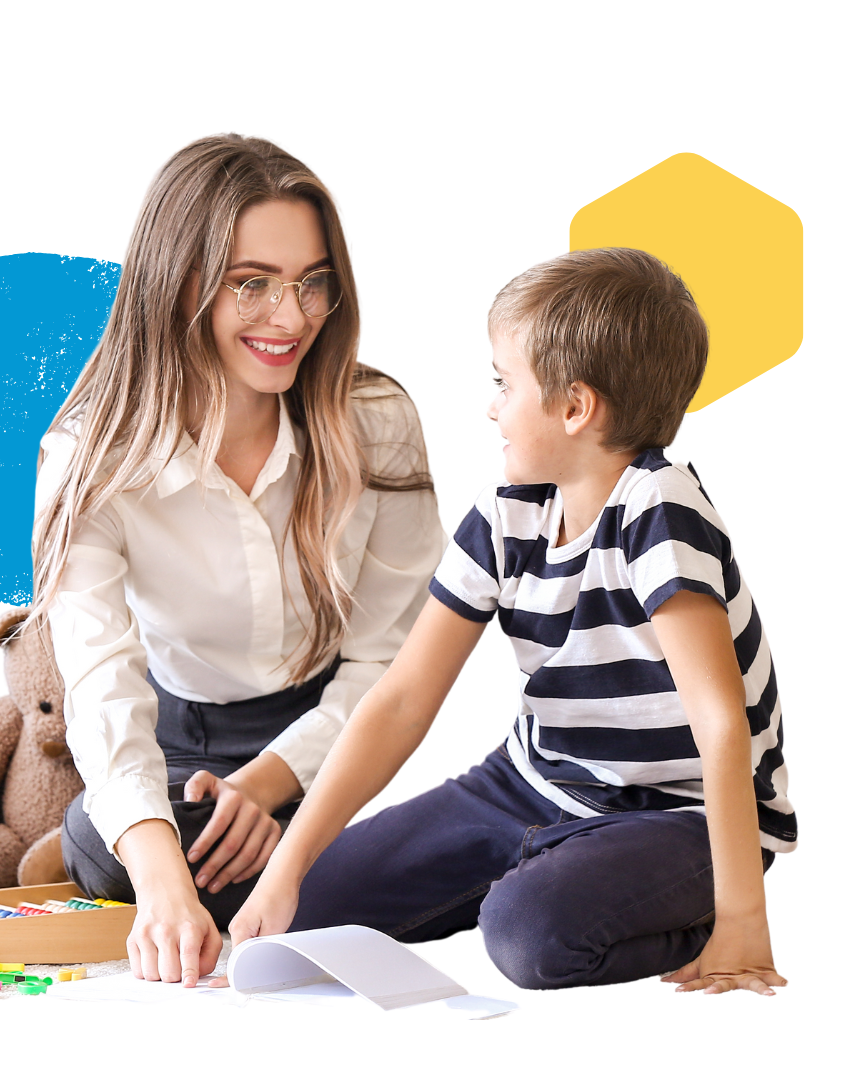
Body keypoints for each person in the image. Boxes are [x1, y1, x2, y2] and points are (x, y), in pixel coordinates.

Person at [229, 248, 794, 997]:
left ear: (574, 407)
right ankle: (554, 869)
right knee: (300, 913)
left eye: (504, 384)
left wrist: (743, 921)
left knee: (529, 939)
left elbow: (721, 726)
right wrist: (288, 868)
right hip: (528, 784)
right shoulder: (505, 514)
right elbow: (400, 702)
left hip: (681, 813)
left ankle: (685, 912)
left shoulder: (661, 511)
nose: (490, 407)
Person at [27, 133, 447, 987]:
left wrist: (274, 779)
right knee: (106, 846)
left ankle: (322, 876)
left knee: (393, 847)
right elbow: (103, 684)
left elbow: (392, 663)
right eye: (250, 283)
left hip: (350, 727)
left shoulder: (379, 418)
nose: (290, 319)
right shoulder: (88, 456)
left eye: (311, 282)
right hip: (188, 743)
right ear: (174, 282)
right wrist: (161, 887)